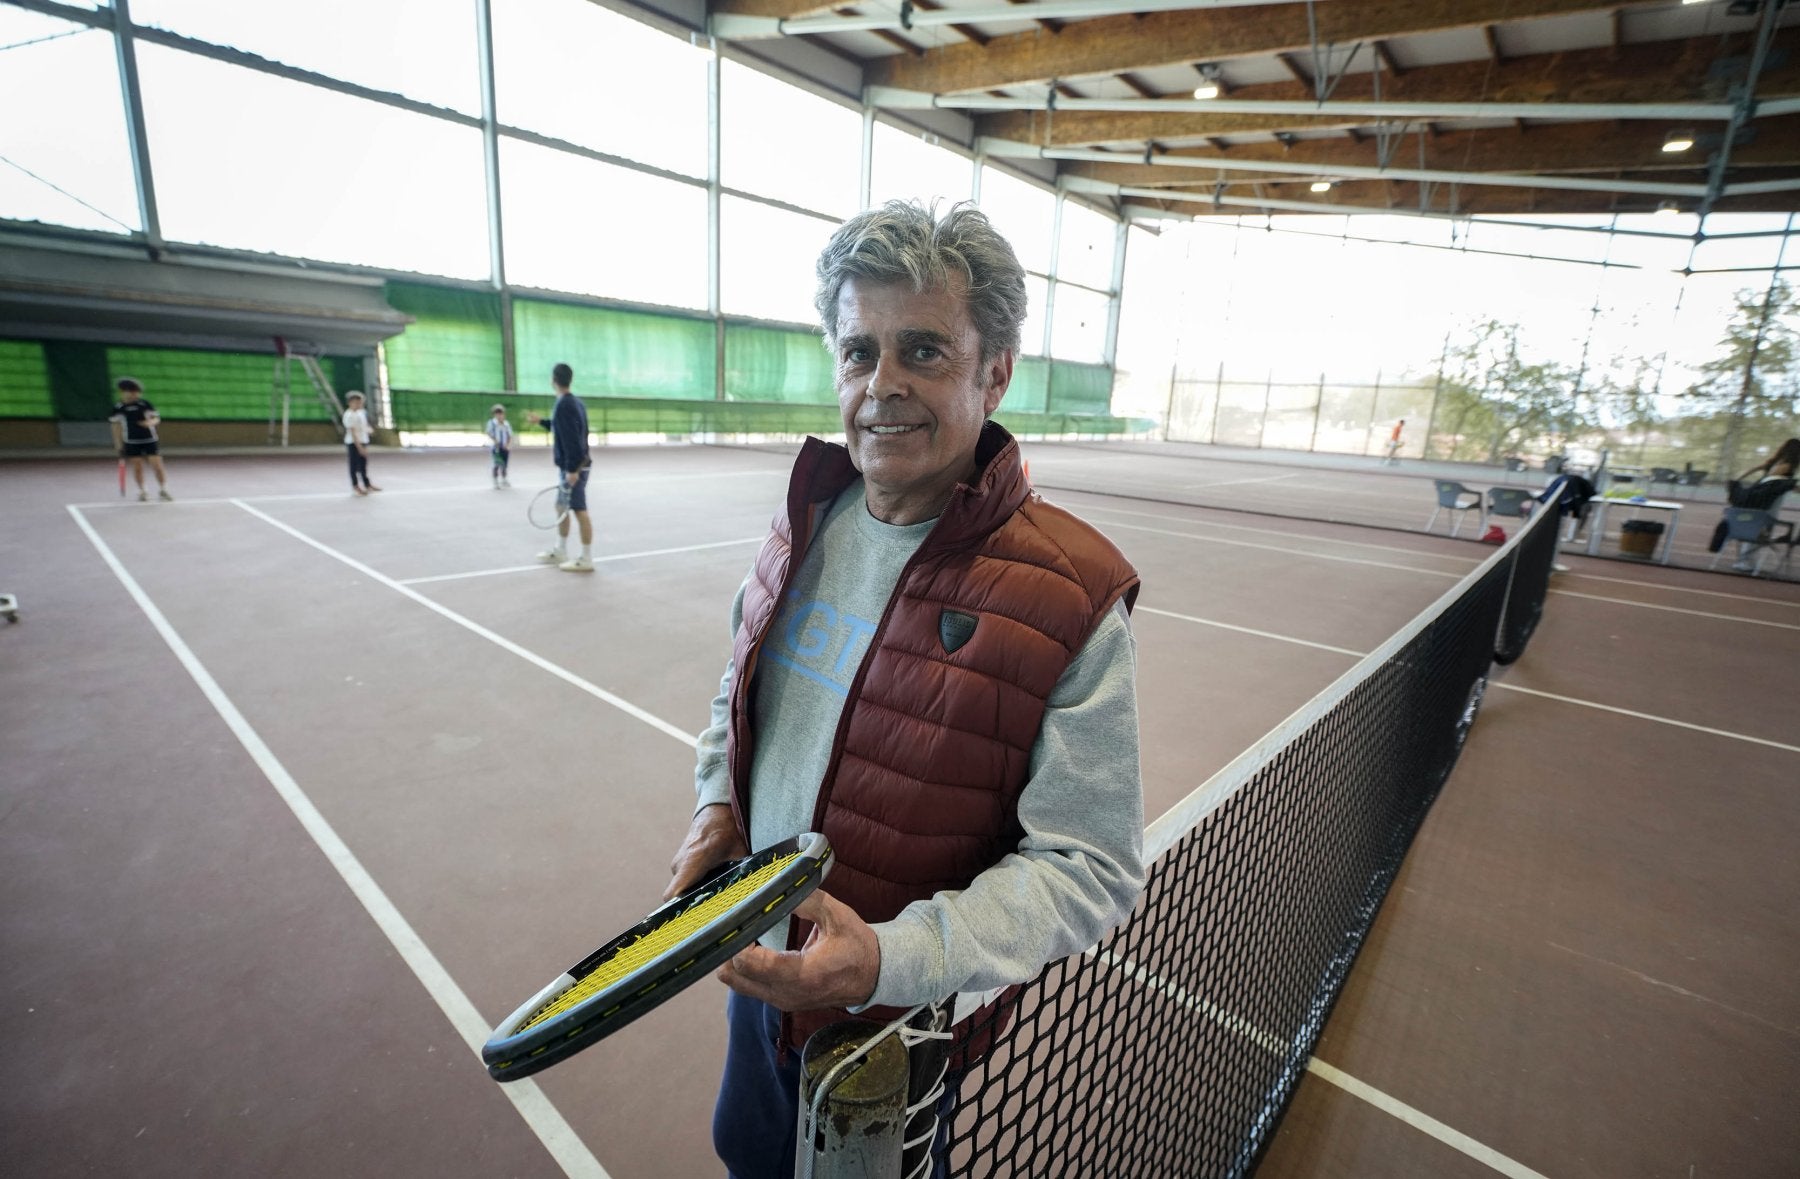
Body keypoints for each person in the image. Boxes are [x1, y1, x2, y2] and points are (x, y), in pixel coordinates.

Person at [662, 201, 1146, 1179]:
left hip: (892, 1038)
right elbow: (736, 690)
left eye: (923, 351)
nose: (881, 386)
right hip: (760, 978)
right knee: (745, 1156)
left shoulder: (1074, 597)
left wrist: (888, 961)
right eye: (859, 352)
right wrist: (721, 802)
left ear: (995, 371)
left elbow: (1091, 869)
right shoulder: (804, 521)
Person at [526, 363, 593, 572]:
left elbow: (574, 440)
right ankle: (561, 550)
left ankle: (586, 558)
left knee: (580, 510)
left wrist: (572, 470)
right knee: (561, 507)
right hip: (571, 467)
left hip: (575, 468)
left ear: (553, 380)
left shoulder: (565, 405)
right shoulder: (572, 404)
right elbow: (561, 426)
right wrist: (542, 422)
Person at [1715, 438, 1798, 570]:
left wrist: (1739, 479)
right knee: (1759, 525)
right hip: (1770, 498)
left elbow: (1754, 470)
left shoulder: (1774, 462)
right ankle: (1746, 560)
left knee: (1754, 525)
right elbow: (1773, 480)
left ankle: (1746, 559)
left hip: (1763, 495)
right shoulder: (1786, 466)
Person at [108, 377, 172, 501]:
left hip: (150, 440)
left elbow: (156, 418)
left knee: (157, 465)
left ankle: (163, 489)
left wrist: (150, 423)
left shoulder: (145, 404)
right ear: (124, 392)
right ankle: (142, 491)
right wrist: (118, 445)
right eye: (132, 392)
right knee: (137, 467)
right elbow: (116, 427)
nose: (135, 394)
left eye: (137, 392)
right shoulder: (118, 408)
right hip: (131, 442)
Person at [342, 391, 379, 496]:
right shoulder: (349, 415)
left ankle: (367, 484)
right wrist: (359, 447)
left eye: (360, 402)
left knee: (363, 465)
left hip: (363, 441)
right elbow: (353, 433)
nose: (359, 404)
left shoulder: (361, 412)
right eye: (357, 402)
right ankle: (355, 486)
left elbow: (364, 425)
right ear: (350, 403)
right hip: (354, 443)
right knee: (353, 466)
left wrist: (369, 430)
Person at [485, 403, 513, 489]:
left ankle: (504, 479)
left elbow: (510, 435)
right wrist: (495, 441)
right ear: (494, 414)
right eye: (497, 413)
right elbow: (489, 433)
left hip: (505, 447)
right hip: (496, 448)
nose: (499, 415)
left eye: (501, 413)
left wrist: (508, 445)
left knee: (505, 464)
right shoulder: (492, 423)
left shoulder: (506, 424)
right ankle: (495, 481)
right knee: (497, 464)